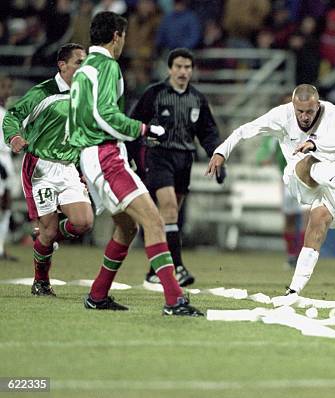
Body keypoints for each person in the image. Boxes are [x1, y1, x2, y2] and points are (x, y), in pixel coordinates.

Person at [68, 11, 202, 316]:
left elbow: (81, 119)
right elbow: (105, 115)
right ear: (116, 36)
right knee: (154, 221)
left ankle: (98, 294)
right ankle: (174, 299)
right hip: (105, 156)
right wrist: (143, 129)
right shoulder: (106, 66)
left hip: (93, 156)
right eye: (124, 36)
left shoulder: (83, 68)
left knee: (127, 228)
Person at [207, 84, 335, 295]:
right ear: (292, 106)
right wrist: (222, 151)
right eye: (299, 111)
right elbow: (244, 130)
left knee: (317, 226)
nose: (304, 116)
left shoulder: (332, 112)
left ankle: (293, 290)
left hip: (332, 178)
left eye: (309, 111)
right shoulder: (281, 115)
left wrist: (314, 143)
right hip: (298, 175)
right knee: (309, 163)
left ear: (317, 104)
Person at [2, 44, 94, 296]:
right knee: (50, 230)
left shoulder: (84, 95)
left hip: (68, 167)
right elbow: (12, 116)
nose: (83, 67)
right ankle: (41, 281)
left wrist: (84, 166)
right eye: (78, 62)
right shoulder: (43, 92)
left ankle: (44, 236)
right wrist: (14, 138)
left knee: (84, 222)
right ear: (62, 65)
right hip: (40, 168)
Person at [129, 47, 223, 288]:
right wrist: (130, 156)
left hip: (185, 160)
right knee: (169, 208)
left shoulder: (197, 99)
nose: (183, 71)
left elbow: (208, 133)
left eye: (187, 67)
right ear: (170, 69)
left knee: (170, 218)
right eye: (179, 66)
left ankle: (154, 270)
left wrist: (217, 156)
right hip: (159, 156)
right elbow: (134, 123)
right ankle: (177, 267)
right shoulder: (155, 94)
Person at [256, 135, 309, 268]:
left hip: (307, 179)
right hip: (288, 180)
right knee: (291, 219)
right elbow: (263, 155)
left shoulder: (307, 128)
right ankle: (292, 256)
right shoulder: (277, 132)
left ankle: (303, 258)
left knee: (306, 218)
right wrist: (265, 159)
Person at [0, 74, 18, 262]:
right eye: (4, 86)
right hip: (0, 162)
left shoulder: (6, 112)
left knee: (6, 207)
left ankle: (1, 248)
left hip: (6, 161)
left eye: (9, 87)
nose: (8, 91)